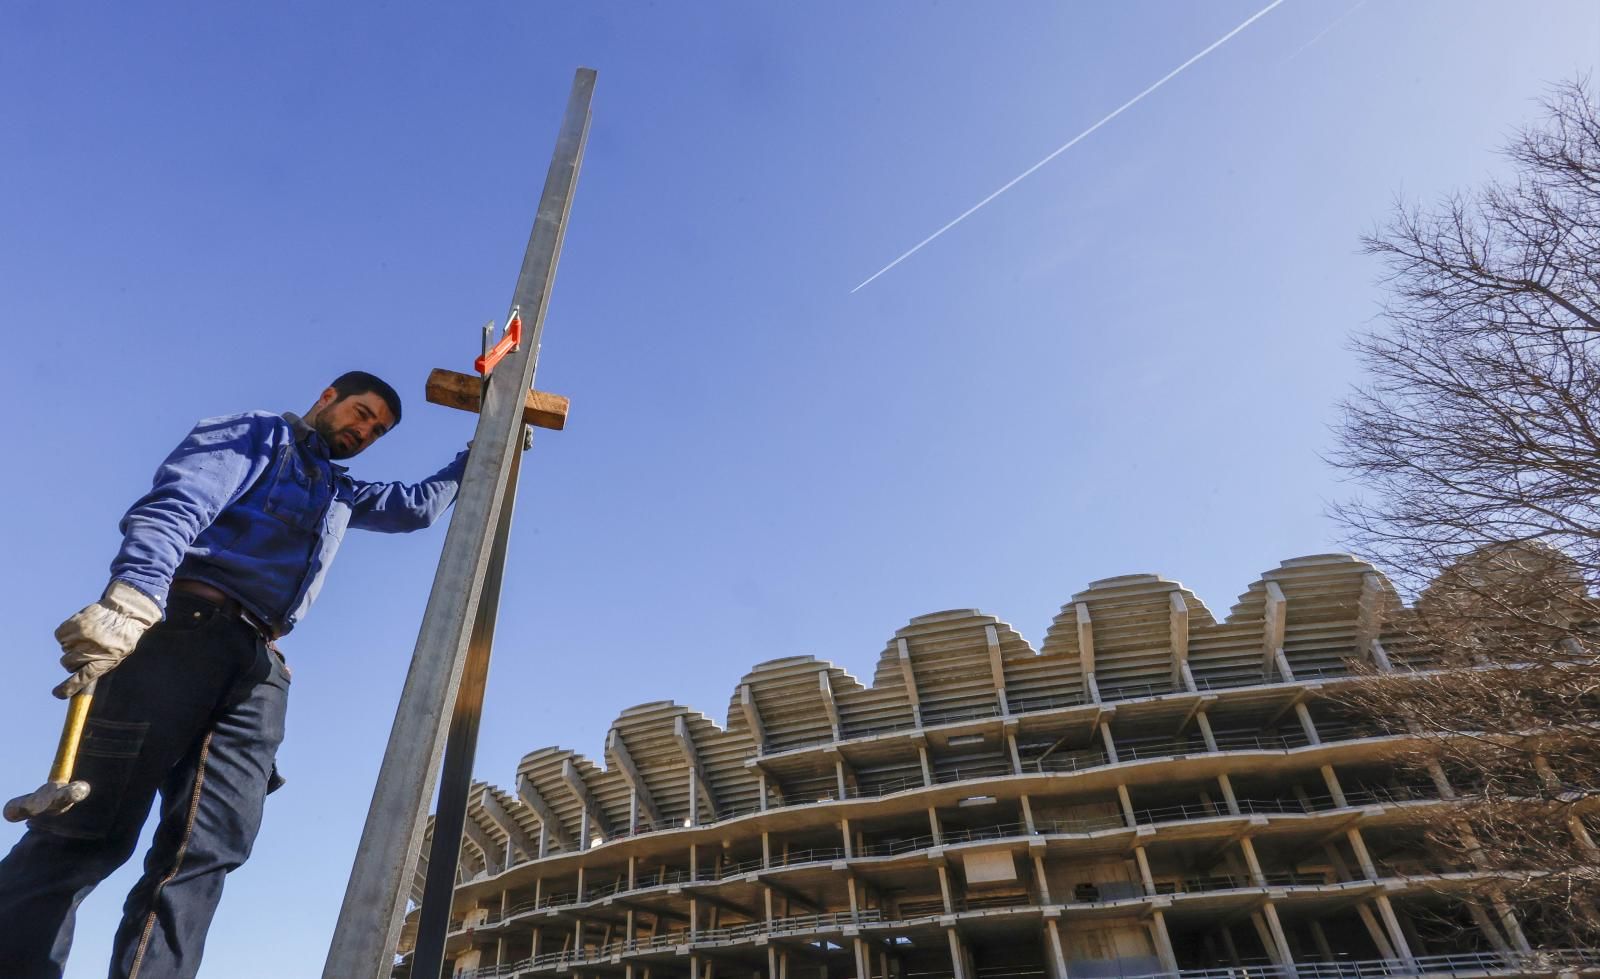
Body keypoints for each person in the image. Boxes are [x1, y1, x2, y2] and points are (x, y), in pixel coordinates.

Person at [0, 371, 468, 979]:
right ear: (327, 398)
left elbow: (416, 510)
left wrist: (480, 451)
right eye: (359, 412)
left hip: (259, 663)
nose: (363, 430)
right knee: (90, 828)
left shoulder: (339, 492)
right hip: (181, 631)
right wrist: (133, 595)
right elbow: (181, 501)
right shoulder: (258, 436)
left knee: (209, 848)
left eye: (376, 430)